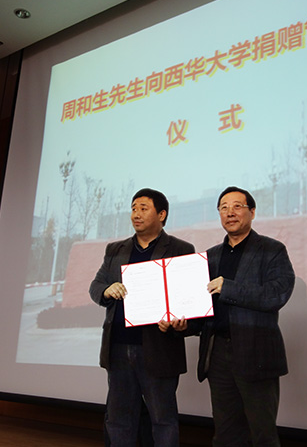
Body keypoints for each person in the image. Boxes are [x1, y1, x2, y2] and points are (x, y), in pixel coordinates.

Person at [89, 188, 194, 447]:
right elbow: (96, 285)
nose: (136, 214)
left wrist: (180, 320)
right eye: (133, 208)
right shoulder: (115, 249)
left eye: (143, 208)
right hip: (118, 346)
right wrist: (106, 290)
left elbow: (188, 297)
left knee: (163, 419)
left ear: (162, 214)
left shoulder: (181, 249)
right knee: (119, 419)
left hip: (159, 348)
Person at [197, 186, 295, 447]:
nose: (230, 212)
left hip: (256, 351)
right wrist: (179, 323)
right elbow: (200, 304)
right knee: (225, 432)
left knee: (262, 434)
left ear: (252, 212)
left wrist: (228, 287)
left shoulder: (272, 250)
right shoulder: (210, 256)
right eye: (224, 207)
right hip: (218, 353)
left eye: (237, 206)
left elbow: (277, 294)